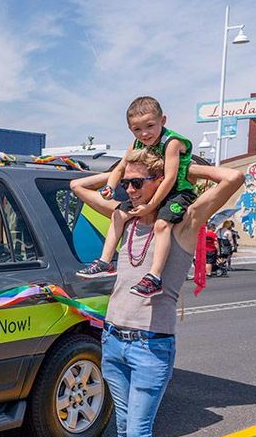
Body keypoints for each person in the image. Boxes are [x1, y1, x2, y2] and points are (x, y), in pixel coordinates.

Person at [71, 150, 243, 437]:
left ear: (160, 183)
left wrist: (178, 170)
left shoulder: (181, 227)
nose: (130, 191)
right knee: (124, 434)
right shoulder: (123, 219)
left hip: (150, 346)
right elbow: (77, 187)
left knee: (138, 435)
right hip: (112, 341)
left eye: (138, 183)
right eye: (126, 185)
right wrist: (119, 172)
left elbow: (233, 177)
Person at [77, 97, 197, 298]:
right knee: (118, 214)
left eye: (150, 126)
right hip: (154, 190)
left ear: (163, 120)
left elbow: (169, 179)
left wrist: (150, 207)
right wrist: (110, 187)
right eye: (137, 129)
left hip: (177, 192)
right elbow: (120, 168)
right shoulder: (137, 143)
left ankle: (154, 277)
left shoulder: (172, 142)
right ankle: (105, 262)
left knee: (161, 225)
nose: (144, 134)